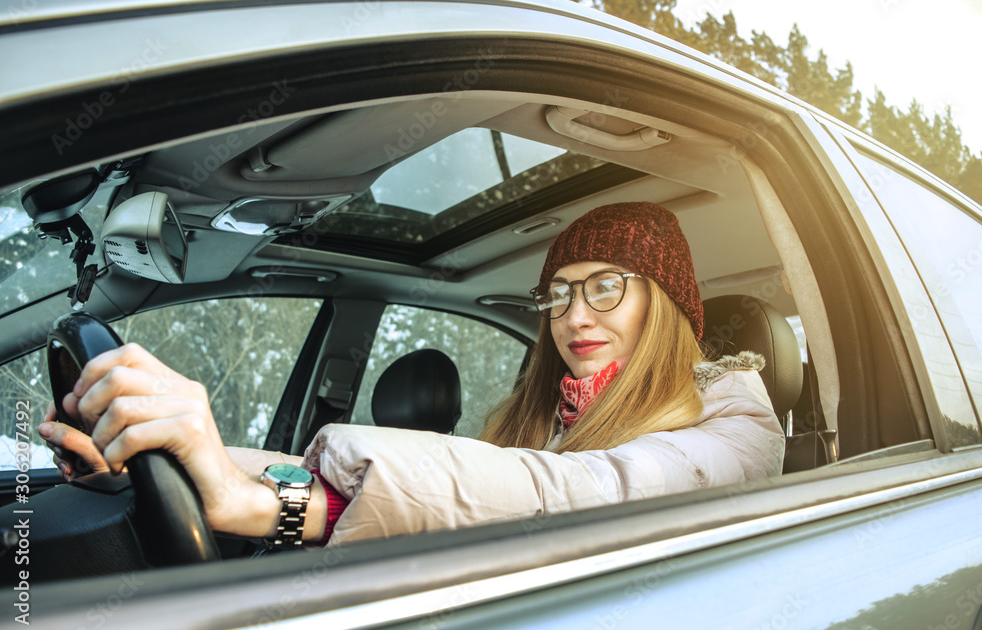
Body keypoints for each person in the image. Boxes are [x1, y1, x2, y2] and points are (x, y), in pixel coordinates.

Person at [39, 201, 784, 546]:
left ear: (667, 309)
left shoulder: (735, 429)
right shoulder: (549, 419)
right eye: (559, 292)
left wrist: (266, 505)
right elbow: (311, 469)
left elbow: (587, 493)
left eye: (606, 287)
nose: (574, 316)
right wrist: (171, 454)